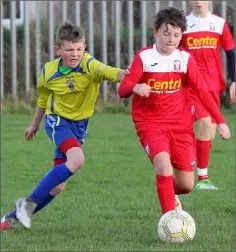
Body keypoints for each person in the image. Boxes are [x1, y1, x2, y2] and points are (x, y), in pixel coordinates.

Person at [1, 21, 129, 231]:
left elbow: (110, 72)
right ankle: (24, 206)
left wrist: (125, 74)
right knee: (77, 159)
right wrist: (34, 125)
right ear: (57, 50)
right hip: (57, 122)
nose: (75, 54)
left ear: (84, 47)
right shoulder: (48, 72)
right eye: (69, 49)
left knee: (58, 185)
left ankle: (11, 217)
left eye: (79, 49)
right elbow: (43, 100)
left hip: (79, 127)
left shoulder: (89, 65)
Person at [118, 7, 230, 215]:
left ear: (182, 35)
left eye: (177, 35)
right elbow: (122, 88)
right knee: (163, 167)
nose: (171, 39)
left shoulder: (186, 60)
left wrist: (220, 120)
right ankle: (169, 220)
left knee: (186, 185)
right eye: (166, 33)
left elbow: (203, 92)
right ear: (155, 32)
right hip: (150, 123)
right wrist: (135, 87)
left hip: (181, 126)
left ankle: (168, 192)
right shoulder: (144, 57)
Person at [181, 1, 235, 190]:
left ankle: (190, 165)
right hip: (192, 86)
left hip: (213, 85)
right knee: (205, 125)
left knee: (209, 133)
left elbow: (230, 52)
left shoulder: (219, 23)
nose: (198, 1)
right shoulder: (183, 24)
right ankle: (202, 178)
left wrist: (233, 81)